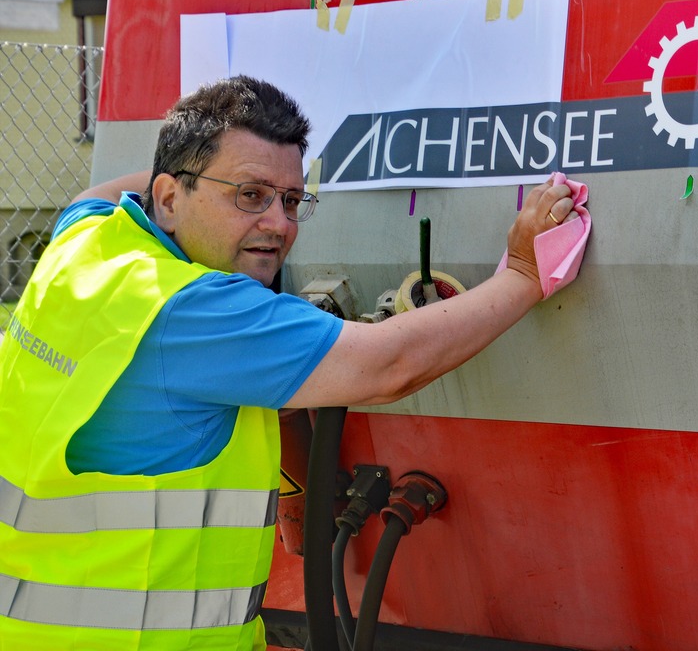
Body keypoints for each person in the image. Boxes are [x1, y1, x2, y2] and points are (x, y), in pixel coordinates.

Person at [0, 75, 585, 650]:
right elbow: (388, 365)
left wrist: (217, 154)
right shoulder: (194, 312)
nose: (278, 225)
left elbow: (94, 196)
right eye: (249, 196)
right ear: (169, 199)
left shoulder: (86, 243)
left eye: (291, 200)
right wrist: (524, 276)